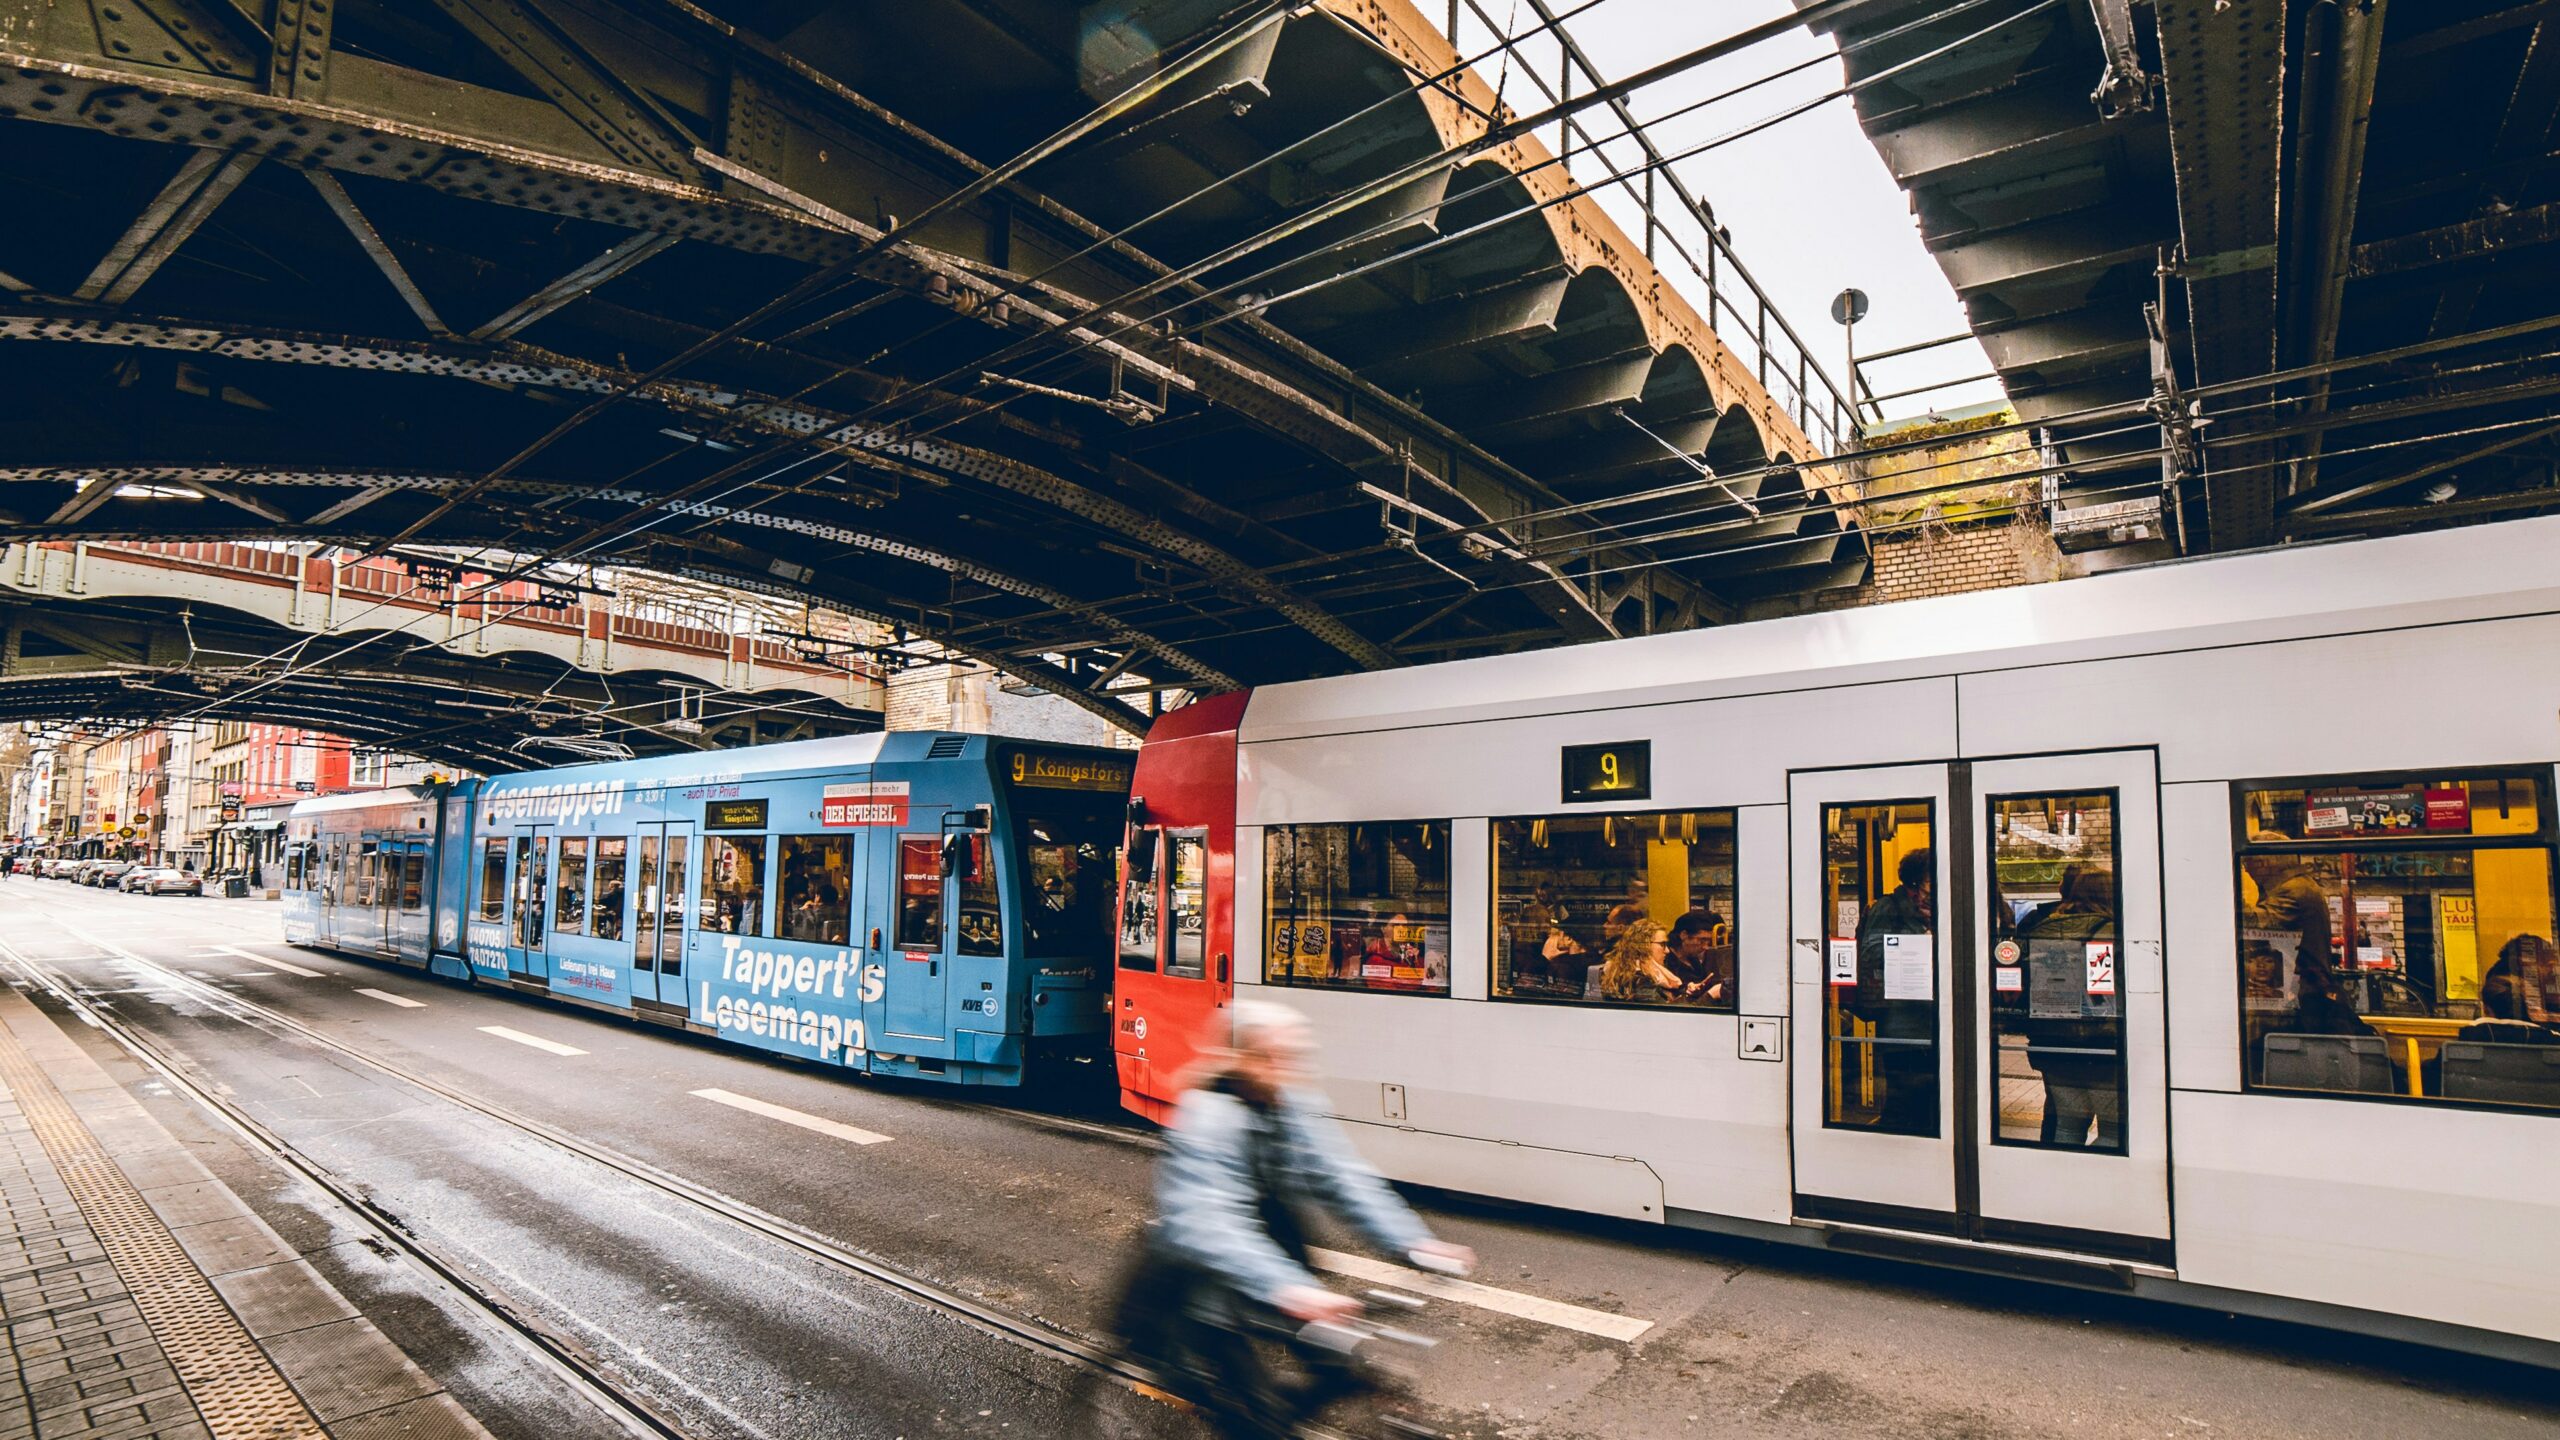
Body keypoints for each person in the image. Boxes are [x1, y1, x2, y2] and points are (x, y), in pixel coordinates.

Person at [1111, 1001, 1474, 1439]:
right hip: (1204, 1289)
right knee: (1258, 1419)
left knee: (1339, 1367)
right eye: (1271, 1057)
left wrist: (1415, 1243)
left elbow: (1340, 1177)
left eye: (1292, 1056)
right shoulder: (1208, 1117)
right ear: (1241, 1059)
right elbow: (1210, 1221)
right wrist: (1290, 1289)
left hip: (1277, 1266)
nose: (1285, 1068)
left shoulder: (1290, 1104)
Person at [2015, 867, 2120, 1148]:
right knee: (2113, 1130)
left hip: (2051, 1045)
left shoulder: (2041, 927)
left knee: (2068, 1124)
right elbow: (2103, 994)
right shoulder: (2107, 932)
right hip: (2101, 1046)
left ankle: (2060, 1178)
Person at [1853, 848, 1937, 1134]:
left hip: (1931, 1022)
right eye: (1930, 880)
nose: (1935, 887)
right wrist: (1921, 946)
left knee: (1929, 1106)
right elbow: (1872, 952)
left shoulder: (1933, 913)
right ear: (1915, 882)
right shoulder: (1889, 908)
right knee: (1904, 1104)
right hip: (1903, 1026)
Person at [1599, 919, 1686, 1003]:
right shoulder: (1639, 979)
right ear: (1644, 945)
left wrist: (1688, 991)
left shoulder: (1630, 970)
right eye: (1662, 944)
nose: (1667, 950)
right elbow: (1662, 1011)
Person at [1666, 909, 1729, 1005]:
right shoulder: (1666, 961)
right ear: (1684, 935)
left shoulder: (1693, 958)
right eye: (1702, 940)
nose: (1705, 946)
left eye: (1708, 941)